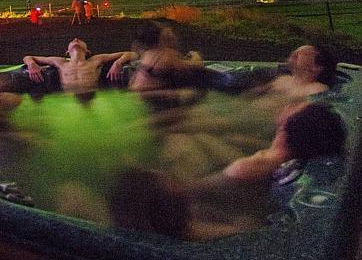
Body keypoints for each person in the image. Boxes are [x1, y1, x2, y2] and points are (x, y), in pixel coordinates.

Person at [110, 102, 347, 240]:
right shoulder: (275, 160)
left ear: (291, 126)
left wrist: (139, 171)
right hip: (219, 205)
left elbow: (189, 191)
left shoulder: (249, 167)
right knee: (189, 139)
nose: (291, 105)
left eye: (297, 108)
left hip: (196, 217)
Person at [23, 38, 131, 94]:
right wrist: (31, 64)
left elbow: (132, 54)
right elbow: (27, 57)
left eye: (80, 41)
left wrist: (118, 63)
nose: (75, 39)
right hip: (67, 100)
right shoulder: (60, 62)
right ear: (67, 52)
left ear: (87, 51)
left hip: (95, 97)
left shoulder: (96, 60)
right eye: (72, 41)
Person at [250, 44, 338, 103]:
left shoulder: (316, 89)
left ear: (316, 67)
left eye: (306, 54)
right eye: (297, 51)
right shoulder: (283, 80)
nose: (297, 51)